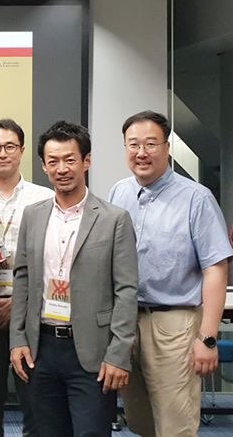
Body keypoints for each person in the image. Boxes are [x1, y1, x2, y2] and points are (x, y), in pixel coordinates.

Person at [10, 120, 138, 437]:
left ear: (86, 161)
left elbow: (126, 291)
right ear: (43, 165)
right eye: (53, 161)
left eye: (70, 159)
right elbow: (22, 279)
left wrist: (118, 354)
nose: (62, 169)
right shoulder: (33, 215)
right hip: (41, 349)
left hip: (92, 351)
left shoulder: (114, 220)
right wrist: (18, 340)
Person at [108, 111, 233, 437]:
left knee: (175, 424)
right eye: (133, 144)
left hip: (174, 324)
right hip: (127, 322)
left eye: (151, 144)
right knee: (140, 420)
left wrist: (207, 337)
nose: (141, 152)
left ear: (167, 147)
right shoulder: (119, 193)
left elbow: (215, 268)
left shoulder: (196, 198)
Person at [0, 119, 53, 437]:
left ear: (22, 151)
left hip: (31, 309)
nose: (2, 153)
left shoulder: (44, 197)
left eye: (9, 146)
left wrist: (17, 302)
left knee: (34, 396)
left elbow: (52, 258)